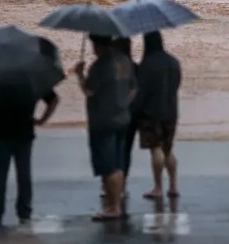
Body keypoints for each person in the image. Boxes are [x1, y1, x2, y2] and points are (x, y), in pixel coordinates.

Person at [75, 35, 136, 221]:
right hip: (122, 118)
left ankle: (114, 207)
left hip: (103, 121)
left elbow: (88, 91)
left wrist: (79, 74)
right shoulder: (124, 61)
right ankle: (114, 203)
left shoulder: (100, 66)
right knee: (118, 162)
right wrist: (122, 104)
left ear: (98, 45)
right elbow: (133, 89)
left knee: (109, 166)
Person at [0, 81, 59, 228]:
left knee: (0, 176)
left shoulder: (0, 80)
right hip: (25, 132)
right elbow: (54, 99)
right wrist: (42, 120)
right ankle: (24, 212)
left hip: (2, 133)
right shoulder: (33, 81)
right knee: (24, 175)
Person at [134, 31, 182, 200]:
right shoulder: (174, 62)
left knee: (156, 149)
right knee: (168, 149)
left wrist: (136, 110)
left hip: (152, 113)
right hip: (171, 111)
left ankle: (158, 187)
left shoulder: (147, 64)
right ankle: (174, 186)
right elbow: (177, 85)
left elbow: (141, 92)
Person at [115, 38, 140, 191]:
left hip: (118, 113)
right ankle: (123, 184)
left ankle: (113, 185)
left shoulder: (116, 67)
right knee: (127, 150)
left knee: (116, 149)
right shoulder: (135, 66)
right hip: (133, 114)